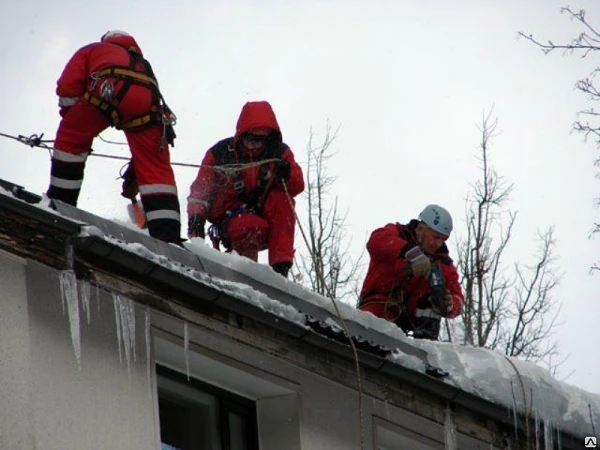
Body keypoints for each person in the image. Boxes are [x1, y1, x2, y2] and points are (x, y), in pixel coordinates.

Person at [47, 30, 182, 244]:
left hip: (107, 90)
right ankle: (168, 234)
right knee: (156, 169)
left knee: (70, 139)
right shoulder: (142, 64)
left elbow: (68, 86)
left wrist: (74, 117)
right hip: (148, 107)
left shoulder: (93, 49)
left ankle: (60, 202)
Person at [187, 101, 304, 278]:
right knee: (249, 225)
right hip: (230, 220)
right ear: (240, 135)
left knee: (281, 200)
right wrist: (196, 225)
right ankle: (244, 273)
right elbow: (200, 192)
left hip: (263, 219)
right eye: (248, 138)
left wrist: (286, 173)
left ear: (268, 138)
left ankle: (281, 270)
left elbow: (297, 185)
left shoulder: (279, 154)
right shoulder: (220, 154)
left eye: (258, 140)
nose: (252, 144)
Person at [357, 204, 464, 340]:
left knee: (436, 295)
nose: (439, 243)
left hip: (415, 320)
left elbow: (458, 296)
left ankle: (426, 347)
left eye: (443, 239)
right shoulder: (396, 233)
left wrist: (450, 304)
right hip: (378, 305)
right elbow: (375, 241)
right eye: (436, 237)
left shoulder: (443, 264)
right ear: (420, 229)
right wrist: (409, 252)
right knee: (372, 332)